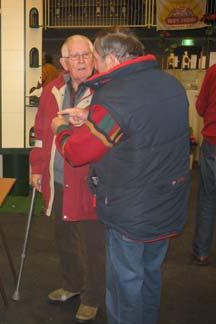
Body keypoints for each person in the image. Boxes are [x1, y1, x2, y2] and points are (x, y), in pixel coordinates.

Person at [52, 28, 190, 324]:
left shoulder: (114, 94)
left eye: (96, 59)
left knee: (124, 284)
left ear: (112, 58)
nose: (93, 65)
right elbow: (141, 127)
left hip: (131, 210)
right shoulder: (170, 84)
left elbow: (77, 152)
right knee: (151, 276)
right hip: (168, 202)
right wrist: (91, 117)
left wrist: (59, 128)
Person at [29, 35, 105, 323]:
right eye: (74, 56)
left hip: (90, 182)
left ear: (94, 57)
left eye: (86, 54)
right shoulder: (52, 90)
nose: (81, 60)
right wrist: (37, 168)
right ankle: (73, 284)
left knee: (93, 244)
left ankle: (93, 296)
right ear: (63, 63)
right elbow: (39, 134)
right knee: (65, 240)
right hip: (57, 179)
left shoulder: (105, 90)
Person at [191, 63, 216, 266]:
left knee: (208, 199)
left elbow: (200, 107)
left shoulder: (214, 71)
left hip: (213, 143)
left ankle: (201, 251)